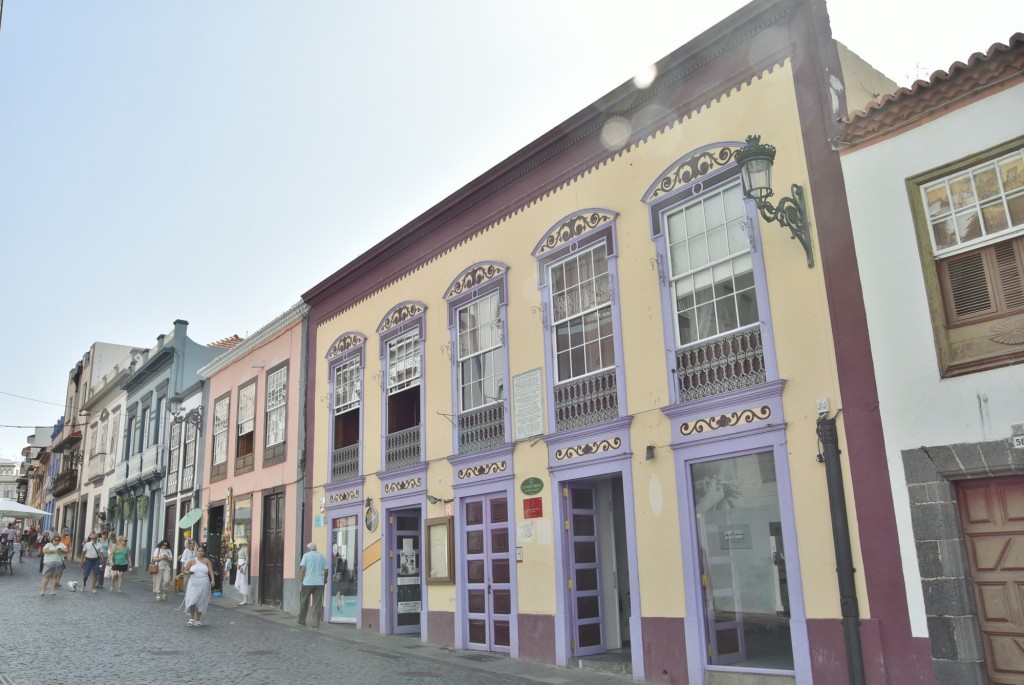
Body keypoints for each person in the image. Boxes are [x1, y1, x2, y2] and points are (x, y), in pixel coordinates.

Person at [297, 542, 328, 628]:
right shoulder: (321, 556)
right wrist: (325, 579)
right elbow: (326, 570)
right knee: (317, 604)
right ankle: (315, 624)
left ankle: (301, 621)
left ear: (308, 549)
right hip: (319, 583)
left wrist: (301, 581)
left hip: (307, 582)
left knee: (304, 602)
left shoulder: (306, 556)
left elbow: (302, 569)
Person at [183, 545, 214, 627]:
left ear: (204, 552)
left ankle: (198, 619)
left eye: (202, 551)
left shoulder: (207, 561)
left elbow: (210, 570)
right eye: (198, 551)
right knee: (192, 599)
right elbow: (185, 570)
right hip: (193, 582)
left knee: (201, 600)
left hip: (204, 582)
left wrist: (213, 580)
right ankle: (191, 618)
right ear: (196, 552)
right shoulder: (192, 561)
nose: (200, 553)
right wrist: (188, 572)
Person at [40, 531, 67, 596]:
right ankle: (43, 590)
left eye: (58, 540)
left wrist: (62, 550)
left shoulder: (62, 544)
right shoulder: (48, 544)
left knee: (54, 577)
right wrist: (54, 550)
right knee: (46, 577)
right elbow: (44, 551)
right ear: (53, 539)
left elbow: (66, 551)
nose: (57, 541)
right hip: (48, 563)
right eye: (55, 540)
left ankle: (52, 590)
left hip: (58, 563)